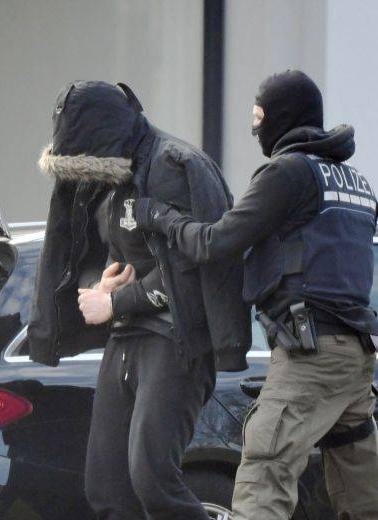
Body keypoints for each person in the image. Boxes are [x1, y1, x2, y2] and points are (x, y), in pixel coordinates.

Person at [136, 70, 378, 519]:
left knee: (263, 478)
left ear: (282, 116)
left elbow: (213, 243)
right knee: (361, 496)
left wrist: (160, 217)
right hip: (356, 359)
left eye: (259, 115)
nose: (254, 127)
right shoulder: (356, 184)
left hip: (310, 355)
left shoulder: (288, 173)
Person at [28, 80, 250, 519]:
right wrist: (99, 287)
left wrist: (116, 302)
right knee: (107, 489)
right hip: (125, 340)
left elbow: (193, 274)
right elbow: (102, 253)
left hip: (174, 342)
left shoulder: (174, 167)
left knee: (153, 481)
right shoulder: (107, 175)